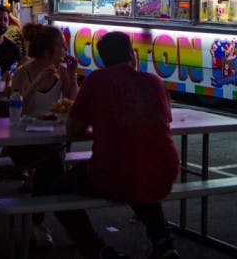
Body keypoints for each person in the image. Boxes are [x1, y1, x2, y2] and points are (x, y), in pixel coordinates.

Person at [53, 31, 180, 259]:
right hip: (165, 168)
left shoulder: (96, 81)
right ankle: (163, 243)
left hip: (114, 170)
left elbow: (74, 128)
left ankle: (95, 249)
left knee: (56, 189)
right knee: (141, 173)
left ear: (102, 59)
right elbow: (162, 120)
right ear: (131, 53)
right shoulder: (154, 81)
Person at [7, 24, 79, 248]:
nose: (64, 52)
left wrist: (73, 75)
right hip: (22, 139)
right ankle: (47, 220)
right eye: (61, 48)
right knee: (53, 168)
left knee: (52, 167)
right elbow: (17, 109)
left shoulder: (62, 71)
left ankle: (39, 220)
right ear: (48, 52)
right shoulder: (23, 73)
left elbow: (71, 101)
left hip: (52, 136)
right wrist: (36, 82)